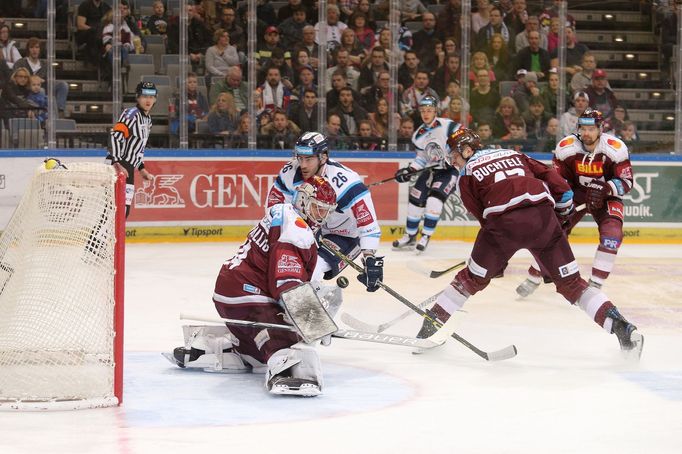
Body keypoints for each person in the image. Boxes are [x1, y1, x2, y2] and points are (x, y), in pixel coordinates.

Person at [416, 128, 643, 359]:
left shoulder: (466, 175)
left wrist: (493, 262)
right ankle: (624, 329)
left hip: (502, 227)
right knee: (573, 284)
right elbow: (561, 188)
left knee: (469, 280)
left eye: (454, 155)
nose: (453, 161)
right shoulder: (515, 155)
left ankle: (428, 331)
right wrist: (561, 218)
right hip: (544, 219)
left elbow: (484, 219)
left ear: (467, 150)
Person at [172, 176, 338, 396]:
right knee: (287, 339)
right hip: (249, 296)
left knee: (257, 354)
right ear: (303, 201)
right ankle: (285, 370)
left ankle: (226, 348)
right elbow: (286, 283)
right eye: (318, 208)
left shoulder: (282, 211)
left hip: (228, 292)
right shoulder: (297, 229)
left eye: (326, 210)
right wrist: (315, 324)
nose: (322, 216)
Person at [516, 108, 634, 297]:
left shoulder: (615, 148)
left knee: (612, 236)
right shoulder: (566, 147)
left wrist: (605, 189)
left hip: (607, 196)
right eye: (582, 128)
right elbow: (557, 181)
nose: (586, 133)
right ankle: (535, 275)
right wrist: (564, 199)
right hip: (574, 194)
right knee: (553, 233)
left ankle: (595, 285)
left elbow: (627, 181)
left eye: (591, 129)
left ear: (600, 129)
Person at [266, 132, 383, 291]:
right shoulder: (290, 173)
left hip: (343, 236)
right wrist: (295, 228)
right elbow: (274, 206)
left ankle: (310, 306)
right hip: (308, 229)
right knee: (282, 265)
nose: (303, 165)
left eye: (309, 159)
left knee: (313, 269)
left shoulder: (347, 183)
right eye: (300, 158)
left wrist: (370, 258)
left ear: (323, 157)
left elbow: (368, 225)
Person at [392, 95, 461, 252]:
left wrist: (454, 155)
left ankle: (425, 236)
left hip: (449, 171)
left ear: (435, 111)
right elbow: (422, 159)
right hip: (431, 170)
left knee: (434, 201)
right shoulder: (418, 135)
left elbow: (464, 139)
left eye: (429, 110)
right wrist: (409, 171)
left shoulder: (449, 126)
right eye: (423, 110)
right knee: (415, 201)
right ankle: (410, 236)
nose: (426, 113)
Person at [107, 81, 156, 218]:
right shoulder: (131, 114)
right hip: (118, 165)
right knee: (113, 211)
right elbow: (115, 136)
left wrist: (142, 169)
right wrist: (117, 163)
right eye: (144, 96)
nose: (148, 100)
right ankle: (97, 240)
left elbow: (138, 149)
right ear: (137, 97)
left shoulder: (148, 120)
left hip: (128, 168)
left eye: (151, 97)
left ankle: (110, 240)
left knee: (123, 211)